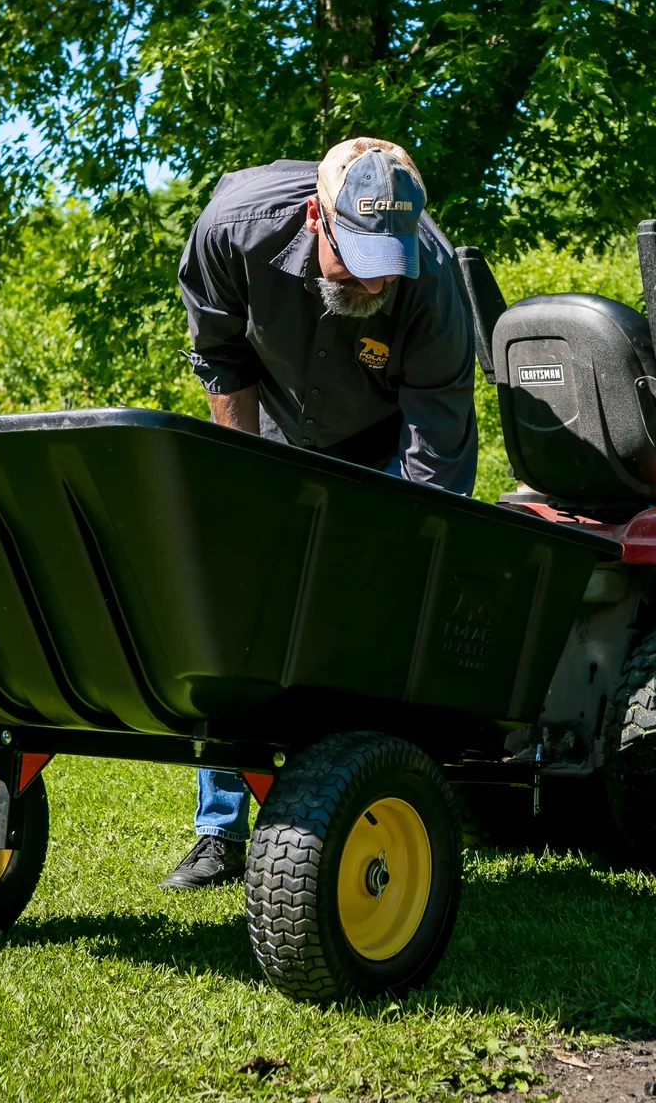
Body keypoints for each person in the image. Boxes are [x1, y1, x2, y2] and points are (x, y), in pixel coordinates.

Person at [159, 137, 480, 890]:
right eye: (356, 255)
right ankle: (218, 832)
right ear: (315, 217)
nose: (373, 279)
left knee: (359, 623)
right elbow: (221, 352)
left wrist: (396, 556)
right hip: (268, 427)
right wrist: (247, 482)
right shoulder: (235, 225)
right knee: (239, 618)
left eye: (387, 262)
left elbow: (436, 459)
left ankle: (355, 802)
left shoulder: (430, 284)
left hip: (378, 448)